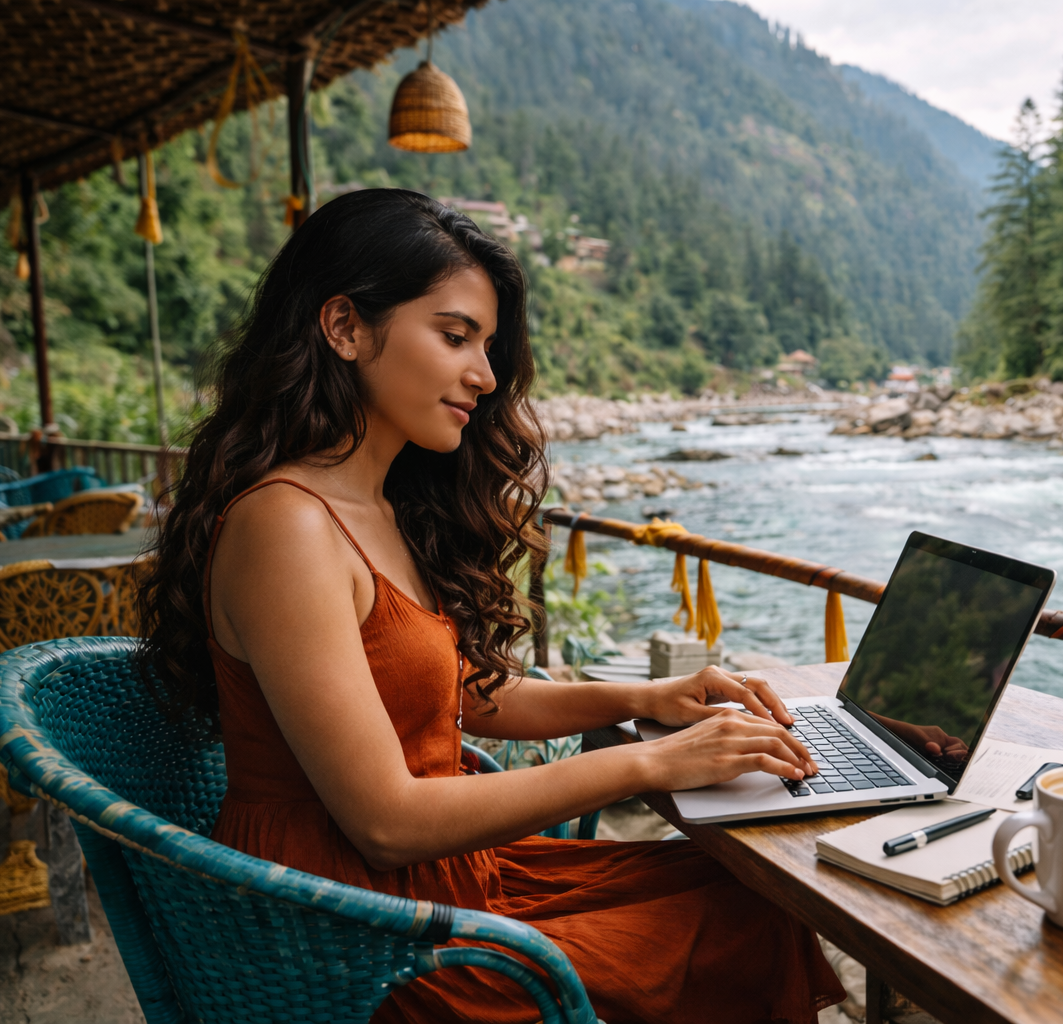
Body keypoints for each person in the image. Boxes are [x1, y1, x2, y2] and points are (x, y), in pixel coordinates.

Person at [137, 189, 843, 1024]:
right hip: (346, 936)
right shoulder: (286, 527)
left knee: (757, 894)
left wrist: (651, 698)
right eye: (455, 336)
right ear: (345, 327)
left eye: (488, 344)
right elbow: (386, 822)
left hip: (438, 887)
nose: (486, 375)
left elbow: (465, 699)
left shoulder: (379, 508)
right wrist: (652, 763)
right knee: (739, 923)